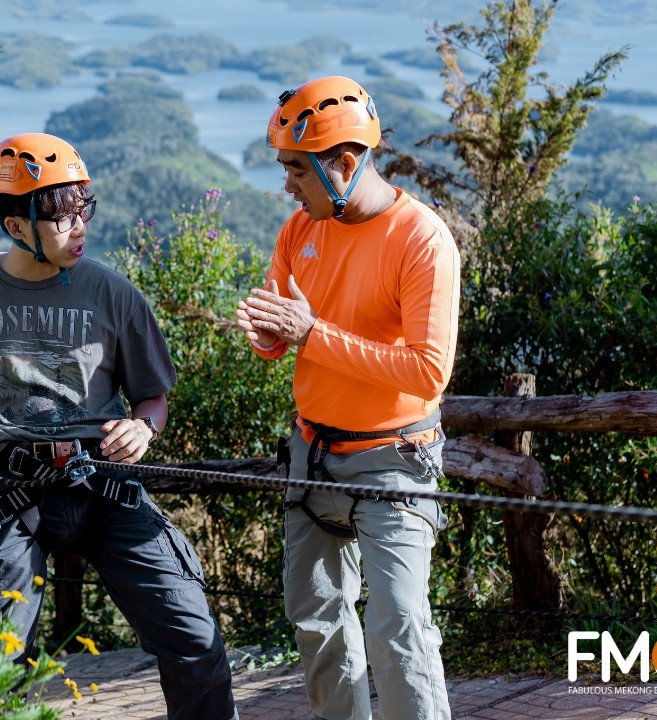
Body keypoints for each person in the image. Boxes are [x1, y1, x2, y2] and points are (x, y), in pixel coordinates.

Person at [0, 132, 238, 720]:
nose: (80, 227)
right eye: (63, 218)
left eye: (85, 210)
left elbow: (153, 395)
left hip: (103, 482)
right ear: (16, 227)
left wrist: (144, 428)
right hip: (12, 490)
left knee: (190, 629)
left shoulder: (114, 294)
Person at [235, 76, 459, 720]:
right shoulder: (299, 230)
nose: (287, 187)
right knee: (319, 624)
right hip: (313, 456)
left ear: (345, 163)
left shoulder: (420, 239)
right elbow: (287, 338)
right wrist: (272, 339)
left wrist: (311, 333)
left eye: (296, 171)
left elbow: (426, 372)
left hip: (396, 461)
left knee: (400, 627)